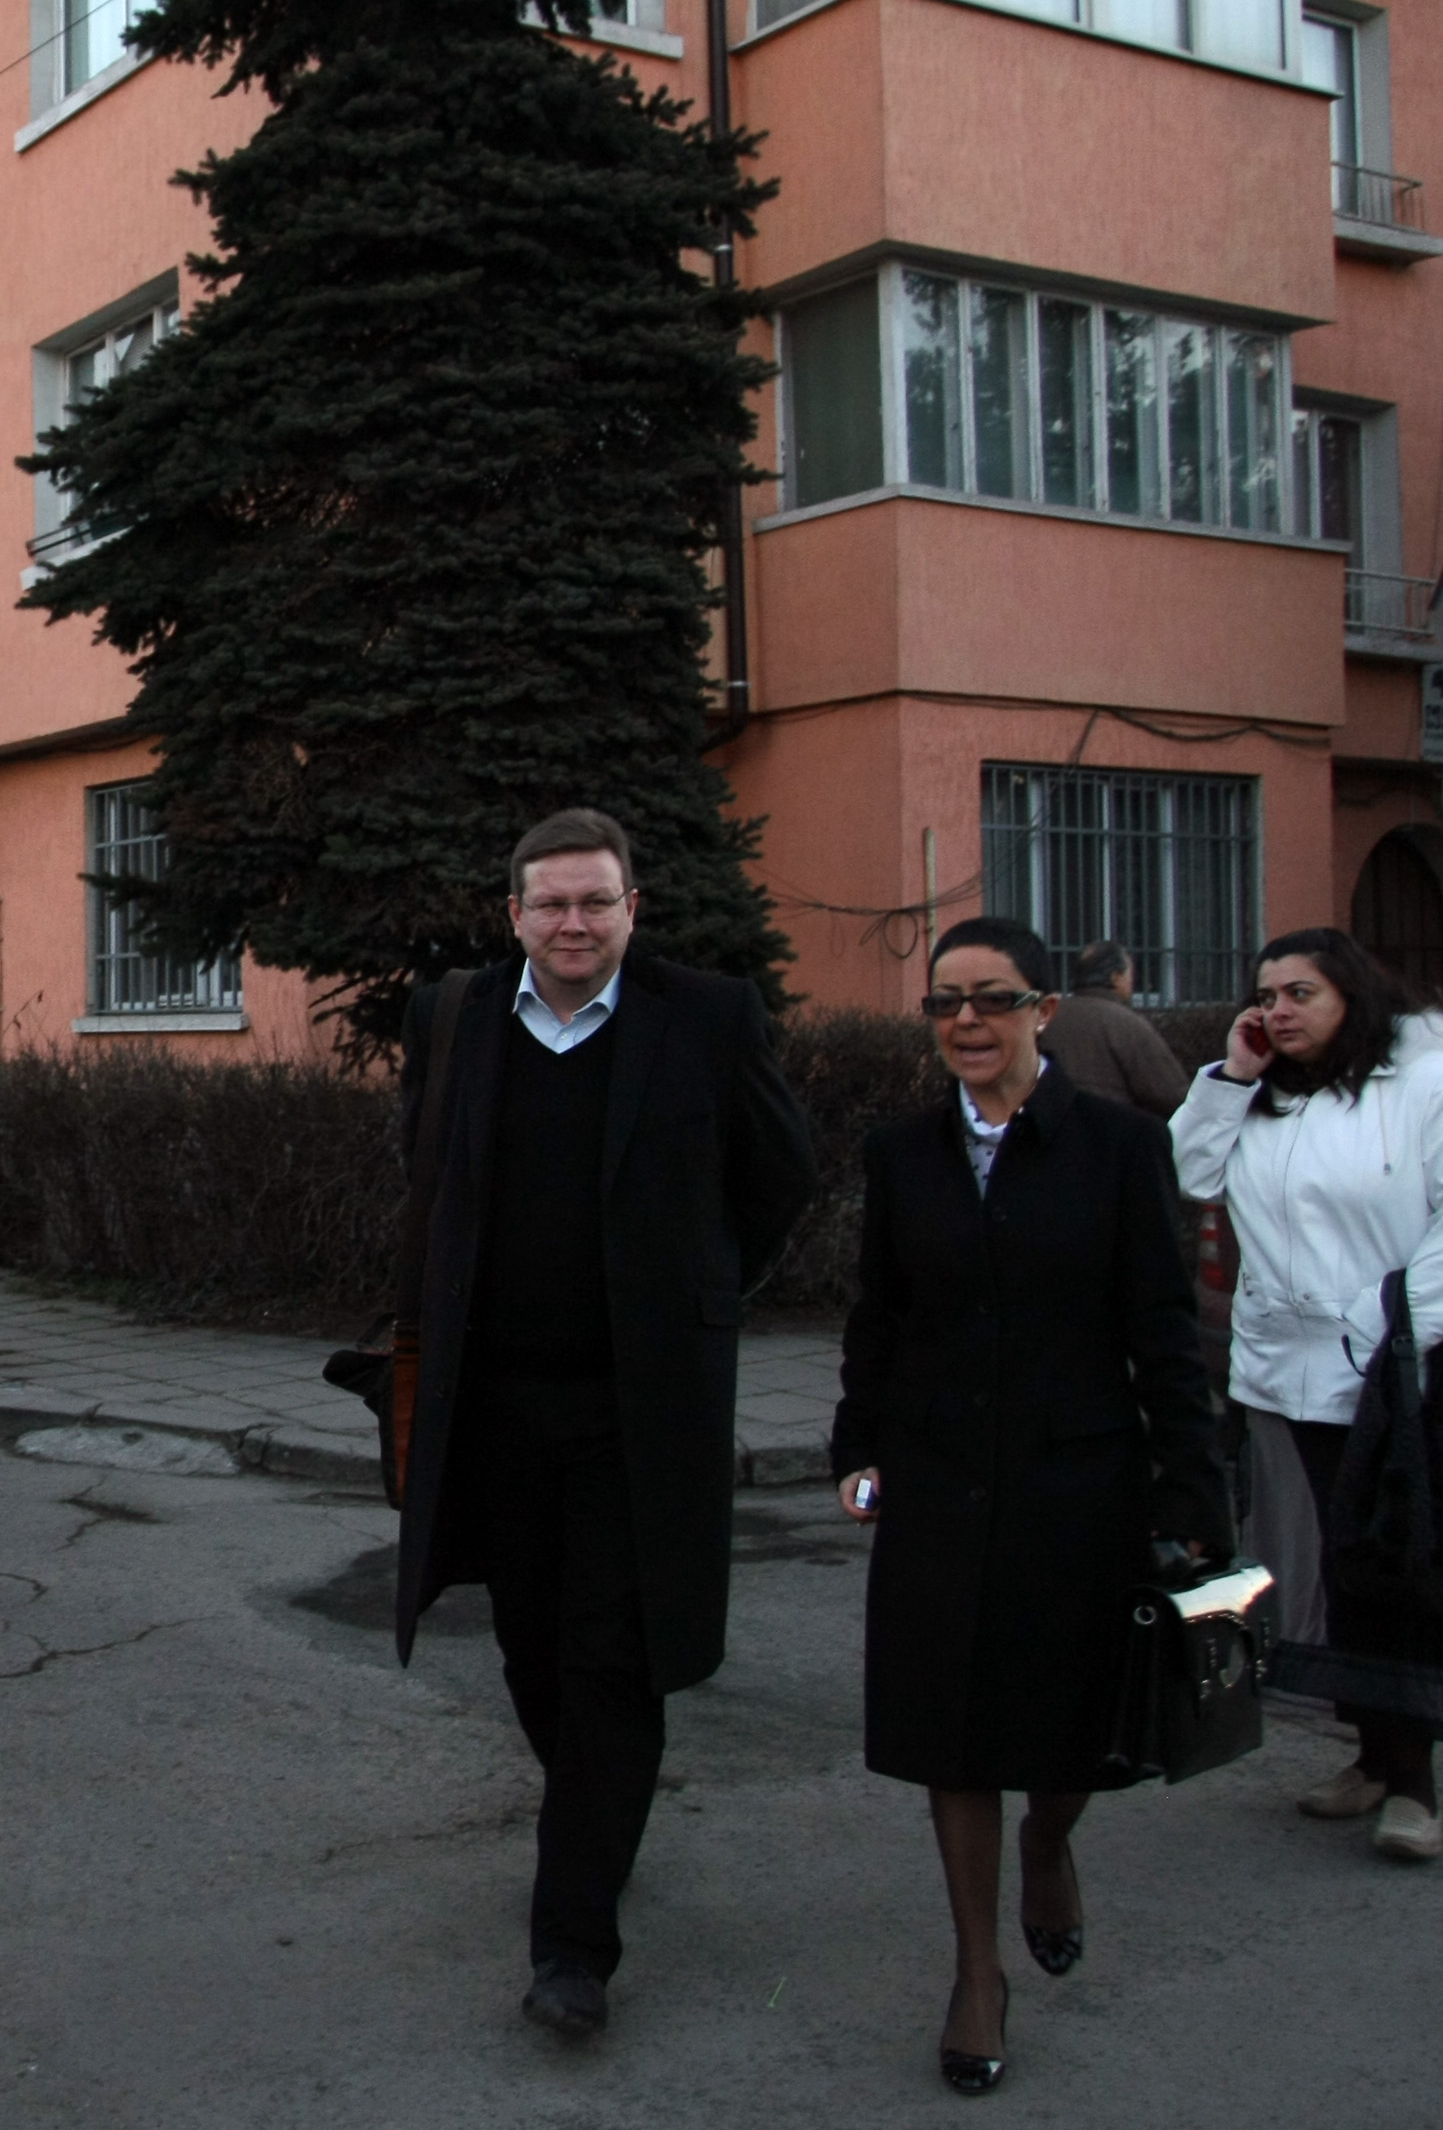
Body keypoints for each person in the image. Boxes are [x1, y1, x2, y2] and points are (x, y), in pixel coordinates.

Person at [394, 808, 819, 2041]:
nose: (574, 923)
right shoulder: (457, 1017)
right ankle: (601, 1812)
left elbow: (778, 1174)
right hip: (499, 1404)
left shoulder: (708, 1014)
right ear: (513, 913)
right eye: (551, 903)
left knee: (612, 1660)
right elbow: (422, 1165)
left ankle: (572, 1945)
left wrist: (699, 1292)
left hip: (641, 1414)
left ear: (635, 908)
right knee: (530, 1649)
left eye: (597, 901)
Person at [834, 917, 1230, 2097]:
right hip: (942, 1477)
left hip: (1078, 1479)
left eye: (992, 999)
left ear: (1043, 1011)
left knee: (1074, 1712)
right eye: (945, 1002)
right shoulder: (902, 1152)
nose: (965, 1021)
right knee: (952, 1727)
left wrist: (1191, 1485)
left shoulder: (1114, 1146)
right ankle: (976, 1970)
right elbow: (880, 1320)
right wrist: (859, 1445)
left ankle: (1051, 1842)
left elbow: (1162, 1331)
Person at [1171, 927, 1443, 1864]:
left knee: (1387, 1573)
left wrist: (1400, 1327)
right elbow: (1187, 1173)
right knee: (1331, 1570)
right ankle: (1371, 1754)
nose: (1279, 1010)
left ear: (1351, 996)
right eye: (1266, 995)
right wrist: (1230, 1076)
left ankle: (1415, 1785)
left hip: (1390, 1376)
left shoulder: (1419, 1085)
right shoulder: (1259, 1100)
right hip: (1284, 1375)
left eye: (1301, 993)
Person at [1047, 940, 1191, 1115]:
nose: (1132, 984)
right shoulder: (1127, 1023)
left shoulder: (1048, 1018)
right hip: (1112, 1131)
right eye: (1129, 976)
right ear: (1115, 978)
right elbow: (1170, 1094)